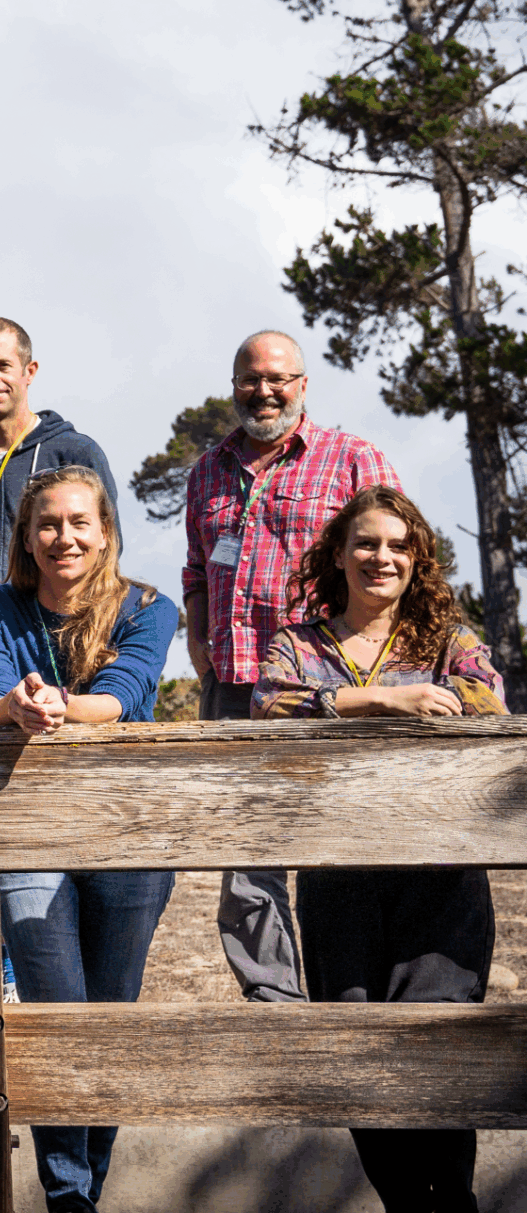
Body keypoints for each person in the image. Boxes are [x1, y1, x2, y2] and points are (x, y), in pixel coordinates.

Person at [253, 485, 500, 1212]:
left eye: (398, 545)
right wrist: (387, 700)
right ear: (339, 553)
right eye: (365, 542)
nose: (380, 557)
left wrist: (358, 707)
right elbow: (271, 702)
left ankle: (452, 1202)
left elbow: (487, 702)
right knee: (357, 1054)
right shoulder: (298, 644)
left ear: (417, 559)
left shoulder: (449, 642)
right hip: (338, 881)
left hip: (441, 877)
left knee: (436, 1050)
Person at [0, 466, 177, 1213]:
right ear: (25, 537)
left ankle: (87, 1189)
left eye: (80, 522)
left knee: (107, 1024)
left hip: (127, 835)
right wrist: (15, 705)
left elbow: (122, 696)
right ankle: (67, 1195)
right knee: (53, 1014)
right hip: (27, 831)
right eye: (47, 524)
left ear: (106, 533)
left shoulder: (149, 607)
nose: (64, 537)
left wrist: (58, 704)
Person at [183, 329, 403, 1006]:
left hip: (329, 687)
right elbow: (196, 569)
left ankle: (353, 995)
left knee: (341, 846)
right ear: (234, 386)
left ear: (303, 385)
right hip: (234, 688)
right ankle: (273, 1003)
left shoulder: (352, 458)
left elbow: (402, 555)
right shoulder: (207, 470)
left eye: (278, 378)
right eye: (250, 379)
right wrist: (199, 642)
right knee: (247, 858)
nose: (264, 391)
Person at [0, 317, 115, 612]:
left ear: (30, 372)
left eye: (3, 365)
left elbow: (108, 552)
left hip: (55, 629)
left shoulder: (76, 455)